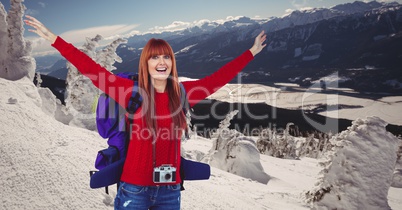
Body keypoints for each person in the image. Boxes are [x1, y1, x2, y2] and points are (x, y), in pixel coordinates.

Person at [24, 15, 266, 210]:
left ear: (171, 61)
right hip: (133, 190)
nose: (161, 62)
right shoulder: (130, 92)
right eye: (154, 57)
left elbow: (218, 79)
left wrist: (251, 53)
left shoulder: (182, 93)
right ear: (146, 63)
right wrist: (55, 39)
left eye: (166, 57)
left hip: (170, 191)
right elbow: (91, 69)